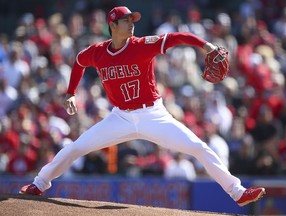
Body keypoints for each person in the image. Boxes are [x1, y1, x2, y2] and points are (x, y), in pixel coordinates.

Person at [19, 6, 265, 207]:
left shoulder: (141, 44)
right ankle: (40, 183)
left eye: (132, 19)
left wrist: (206, 46)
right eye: (126, 20)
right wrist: (71, 92)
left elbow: (177, 37)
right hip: (120, 118)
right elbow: (78, 61)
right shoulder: (98, 52)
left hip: (153, 115)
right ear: (112, 26)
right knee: (76, 147)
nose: (131, 23)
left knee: (198, 147)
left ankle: (237, 192)